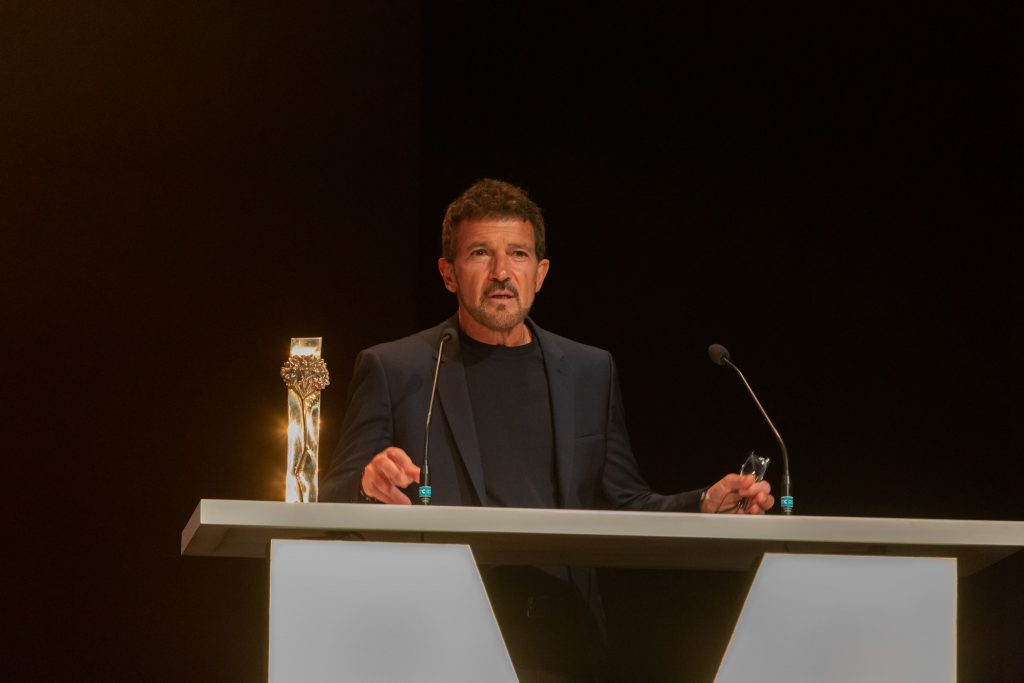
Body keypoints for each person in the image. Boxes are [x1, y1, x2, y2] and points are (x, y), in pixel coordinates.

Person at [321, 178, 774, 681]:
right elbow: (330, 499)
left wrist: (703, 505)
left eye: (517, 254)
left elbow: (623, 502)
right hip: (438, 635)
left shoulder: (588, 371)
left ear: (540, 273)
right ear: (448, 273)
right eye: (480, 253)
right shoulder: (395, 368)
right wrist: (367, 485)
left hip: (564, 644)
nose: (501, 272)